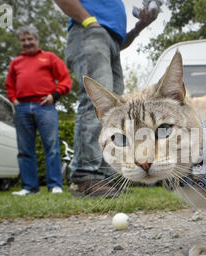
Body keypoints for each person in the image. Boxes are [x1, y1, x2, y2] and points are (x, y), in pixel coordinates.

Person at [53, 0, 158, 197]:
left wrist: (139, 27)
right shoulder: (93, 18)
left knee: (114, 113)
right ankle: (87, 175)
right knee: (97, 102)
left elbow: (120, 41)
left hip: (111, 42)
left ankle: (106, 176)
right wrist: (90, 22)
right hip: (88, 32)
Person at [5, 25, 72, 196]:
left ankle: (55, 185)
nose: (27, 42)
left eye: (30, 39)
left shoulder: (49, 58)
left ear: (36, 40)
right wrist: (14, 100)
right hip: (22, 108)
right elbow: (9, 84)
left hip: (45, 106)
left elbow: (65, 79)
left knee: (52, 146)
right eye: (23, 40)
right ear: (20, 42)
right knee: (25, 149)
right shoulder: (16, 62)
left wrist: (54, 95)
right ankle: (29, 187)